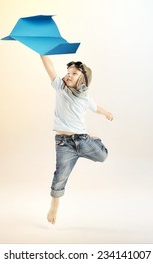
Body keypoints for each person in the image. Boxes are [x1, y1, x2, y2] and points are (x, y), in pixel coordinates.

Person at [40, 55, 114, 225]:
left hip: (82, 139)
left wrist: (106, 113)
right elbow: (50, 68)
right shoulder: (60, 87)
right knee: (60, 176)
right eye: (67, 72)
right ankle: (54, 203)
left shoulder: (85, 96)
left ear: (83, 80)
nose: (68, 75)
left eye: (73, 73)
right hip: (64, 143)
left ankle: (91, 137)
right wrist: (42, 53)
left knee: (103, 156)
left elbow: (95, 108)